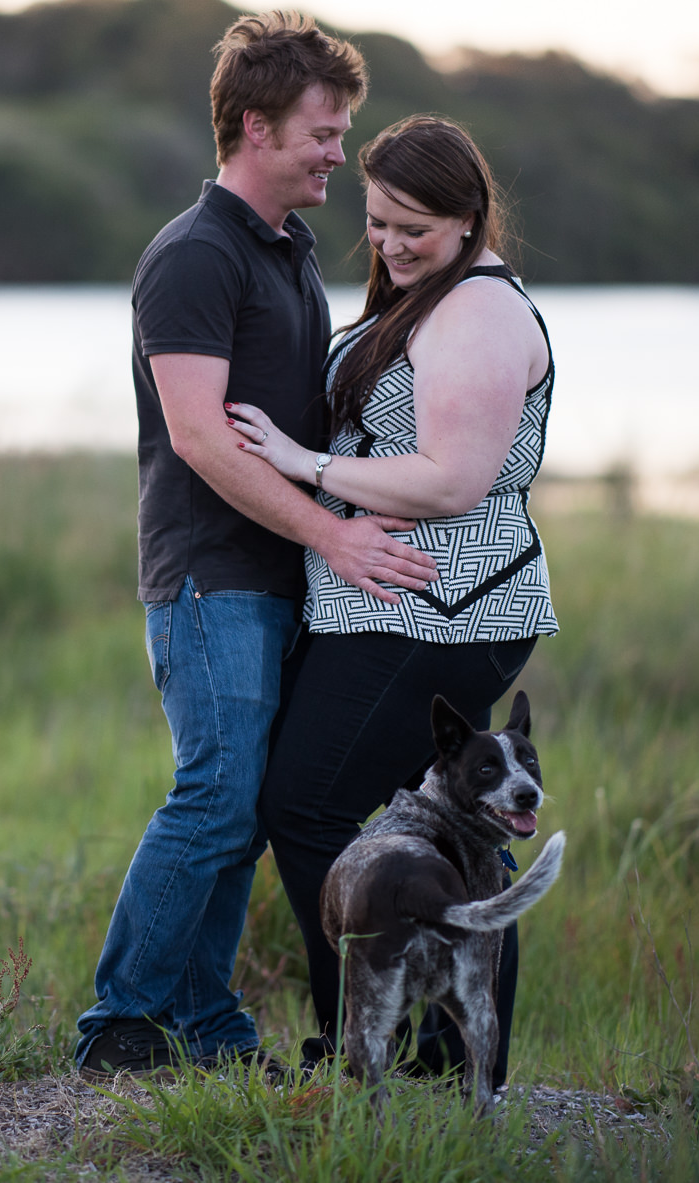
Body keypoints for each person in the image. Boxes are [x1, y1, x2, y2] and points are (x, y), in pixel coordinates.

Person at [75, 13, 441, 1077]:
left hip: (280, 578)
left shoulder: (283, 250)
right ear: (253, 126)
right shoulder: (192, 255)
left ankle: (206, 1022)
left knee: (243, 807)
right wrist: (333, 532)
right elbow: (196, 436)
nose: (339, 153)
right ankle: (120, 1024)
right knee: (216, 792)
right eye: (323, 133)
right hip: (209, 577)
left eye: (341, 132)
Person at [229, 114, 559, 1088]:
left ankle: (387, 1042)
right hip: (397, 607)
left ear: (468, 216)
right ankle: (431, 1049)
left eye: (413, 225)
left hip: (440, 611)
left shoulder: (480, 313)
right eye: (375, 223)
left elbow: (454, 478)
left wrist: (303, 463)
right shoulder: (429, 294)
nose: (389, 243)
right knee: (444, 824)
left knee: (311, 802)